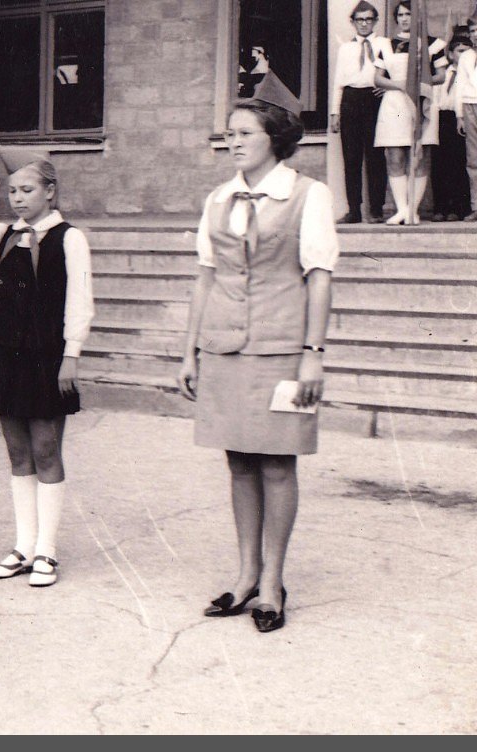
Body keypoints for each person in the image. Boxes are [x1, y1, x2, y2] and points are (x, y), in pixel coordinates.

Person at [177, 72, 339, 633]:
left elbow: (319, 277)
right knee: (238, 462)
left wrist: (313, 353)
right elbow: (206, 278)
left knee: (277, 462)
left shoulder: (308, 195)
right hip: (224, 347)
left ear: (275, 137)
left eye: (245, 133)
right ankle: (246, 575)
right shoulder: (218, 199)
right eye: (230, 134)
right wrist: (190, 352)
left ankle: (273, 580)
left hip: (282, 349)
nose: (234, 142)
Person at [0, 130, 94, 588]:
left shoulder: (69, 238)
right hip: (7, 355)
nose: (17, 199)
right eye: (12, 191)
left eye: (27, 190)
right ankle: (24, 545)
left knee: (46, 449)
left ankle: (47, 551)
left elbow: (80, 300)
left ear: (50, 191)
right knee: (17, 452)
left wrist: (71, 355)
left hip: (47, 356)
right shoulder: (7, 236)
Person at [373, 0, 448, 225]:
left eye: (409, 14)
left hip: (422, 102)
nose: (405, 19)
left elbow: (441, 76)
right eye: (401, 15)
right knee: (395, 155)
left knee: (420, 157)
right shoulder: (386, 44)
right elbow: (377, 79)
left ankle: (413, 210)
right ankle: (402, 210)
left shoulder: (433, 44)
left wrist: (418, 85)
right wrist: (401, 84)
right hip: (395, 104)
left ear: (418, 17)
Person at [329, 1, 392, 224]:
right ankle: (353, 210)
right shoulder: (345, 48)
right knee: (351, 157)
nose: (364, 24)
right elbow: (338, 82)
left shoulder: (384, 44)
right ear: (353, 22)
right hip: (350, 99)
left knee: (376, 156)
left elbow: (394, 70)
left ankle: (376, 209)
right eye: (359, 20)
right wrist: (335, 112)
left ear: (375, 21)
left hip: (374, 99)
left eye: (368, 19)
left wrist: (387, 88)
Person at [432, 36, 471, 220]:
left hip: (459, 118)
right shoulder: (443, 73)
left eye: (467, 51)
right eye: (460, 51)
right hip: (441, 118)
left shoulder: (469, 74)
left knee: (458, 163)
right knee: (439, 163)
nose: (464, 55)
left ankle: (458, 207)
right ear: (450, 54)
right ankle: (440, 207)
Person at [452, 18, 477, 220]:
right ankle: (476, 206)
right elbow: (459, 85)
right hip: (470, 106)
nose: (475, 34)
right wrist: (459, 115)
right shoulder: (467, 56)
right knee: (473, 158)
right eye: (473, 31)